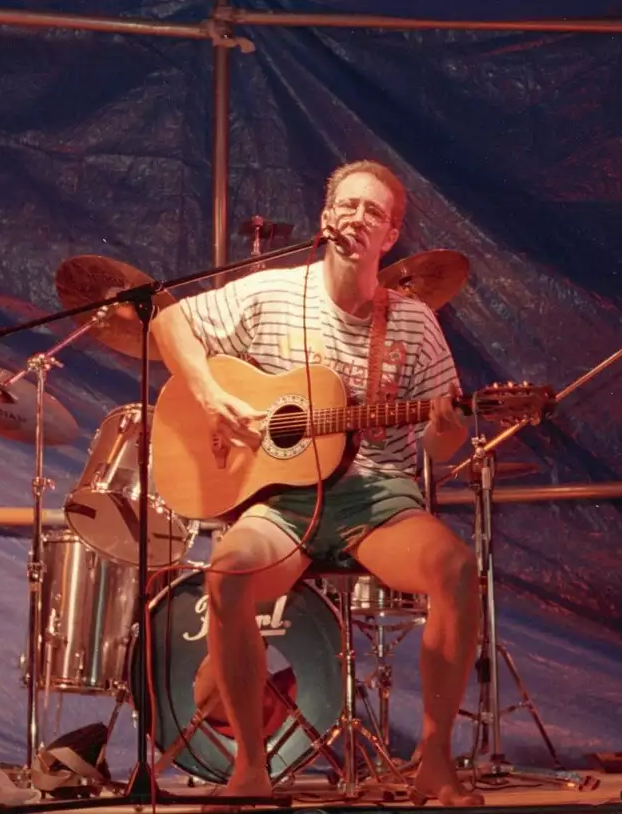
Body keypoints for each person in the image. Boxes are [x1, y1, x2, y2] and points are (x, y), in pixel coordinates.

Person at [153, 160, 482, 805]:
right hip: (283, 501)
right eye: (349, 205)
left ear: (392, 236)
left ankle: (435, 760)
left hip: (376, 497)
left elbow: (441, 445)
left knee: (457, 568)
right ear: (327, 217)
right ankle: (251, 766)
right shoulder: (269, 292)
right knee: (226, 573)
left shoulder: (413, 322)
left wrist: (447, 426)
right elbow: (168, 321)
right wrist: (213, 396)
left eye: (375, 213)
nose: (359, 218)